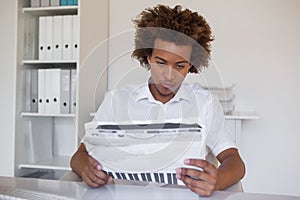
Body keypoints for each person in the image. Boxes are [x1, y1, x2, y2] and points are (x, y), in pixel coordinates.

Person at [70, 4, 245, 197]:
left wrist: (218, 180)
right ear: (148, 57)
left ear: (190, 66)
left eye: (180, 66)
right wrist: (85, 168)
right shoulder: (117, 100)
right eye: (161, 63)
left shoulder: (205, 103)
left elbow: (234, 161)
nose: (169, 76)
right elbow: (80, 155)